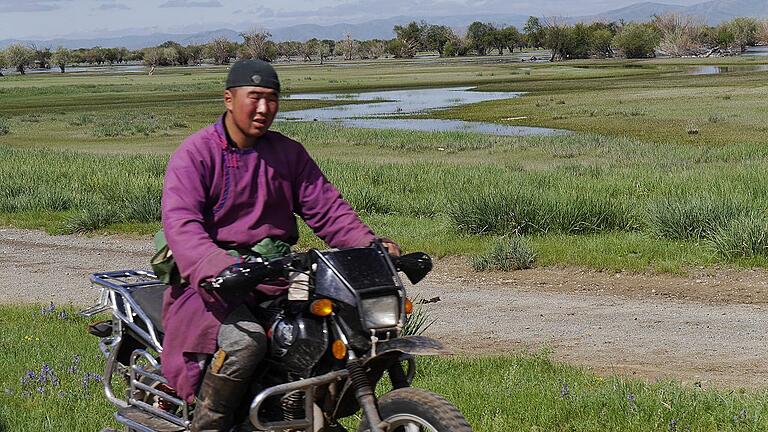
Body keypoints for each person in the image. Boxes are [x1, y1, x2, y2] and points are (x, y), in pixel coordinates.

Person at [159, 59, 398, 431]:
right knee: (246, 343)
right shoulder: (196, 154)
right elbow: (181, 223)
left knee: (333, 330)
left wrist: (372, 247)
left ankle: (301, 412)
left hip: (275, 277)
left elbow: (328, 209)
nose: (263, 108)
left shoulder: (288, 154)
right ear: (228, 98)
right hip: (212, 287)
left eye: (271, 99)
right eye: (254, 97)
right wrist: (217, 267)